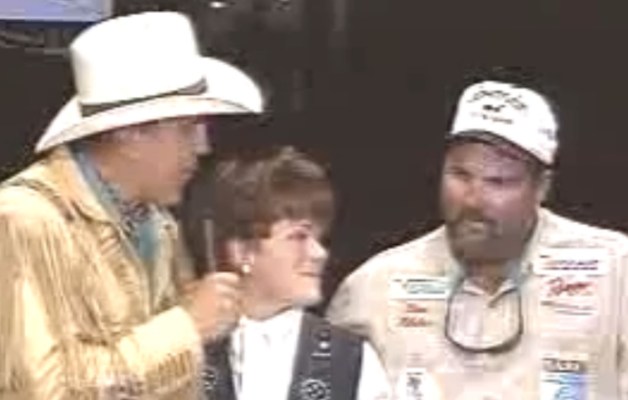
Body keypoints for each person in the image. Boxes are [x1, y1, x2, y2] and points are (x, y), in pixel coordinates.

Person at [0, 11, 265, 399]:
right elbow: (40, 390)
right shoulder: (24, 219)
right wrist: (188, 325)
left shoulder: (160, 227)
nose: (203, 146)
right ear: (130, 134)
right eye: (187, 129)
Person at [327, 76, 628, 399]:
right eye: (460, 175)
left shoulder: (617, 272)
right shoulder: (373, 288)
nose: (473, 200)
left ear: (542, 187)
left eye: (499, 181)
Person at [201, 146, 391, 400]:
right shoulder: (186, 347)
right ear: (242, 251)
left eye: (319, 238)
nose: (319, 253)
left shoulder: (353, 362)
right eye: (298, 236)